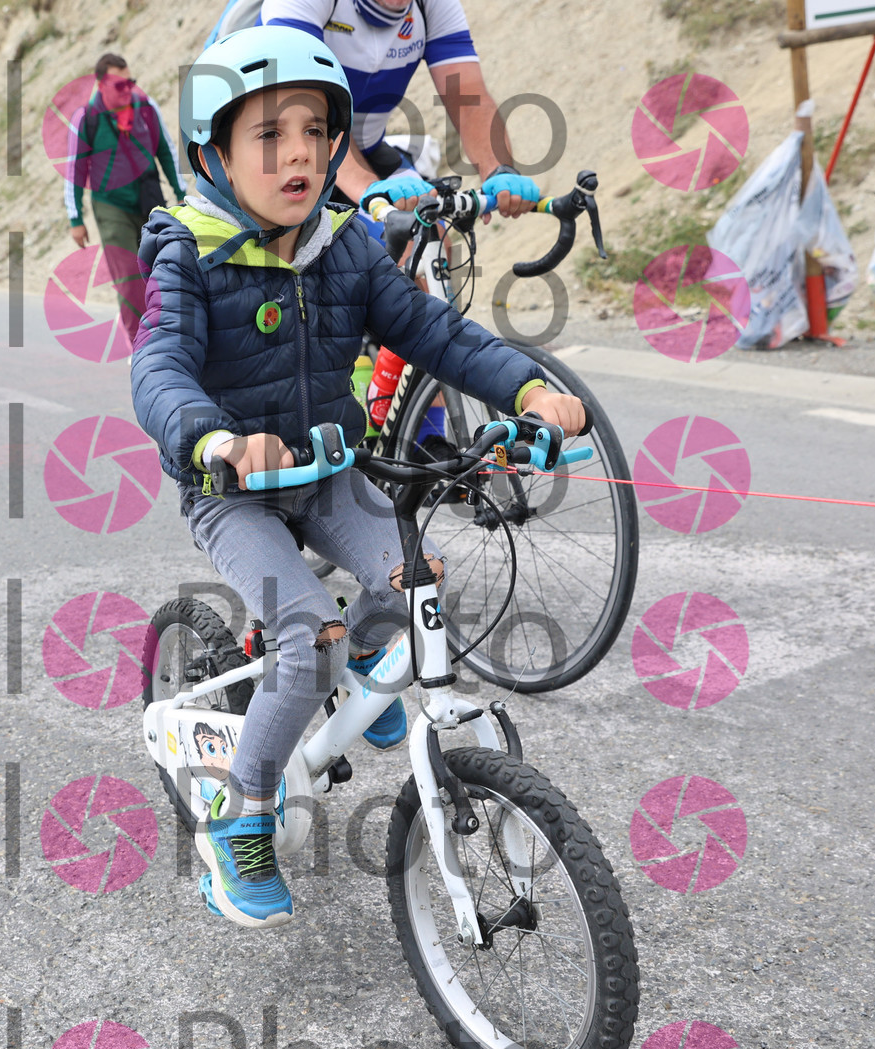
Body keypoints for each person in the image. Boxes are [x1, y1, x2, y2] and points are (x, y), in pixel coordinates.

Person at [129, 26, 583, 929]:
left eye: (315, 131)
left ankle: (366, 674)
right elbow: (158, 368)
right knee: (308, 639)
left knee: (418, 585)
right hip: (232, 491)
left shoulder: (343, 246)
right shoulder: (189, 251)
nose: (299, 153)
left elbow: (435, 333)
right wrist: (215, 440)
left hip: (331, 470)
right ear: (213, 156)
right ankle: (243, 816)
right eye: (269, 135)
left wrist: (530, 388)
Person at [259, 0, 541, 222]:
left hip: (366, 148)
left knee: (431, 237)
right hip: (289, 157)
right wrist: (367, 188)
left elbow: (469, 99)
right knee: (383, 246)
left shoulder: (432, 6)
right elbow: (304, 107)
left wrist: (499, 171)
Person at [64, 53, 188, 259]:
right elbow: (74, 171)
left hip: (150, 198)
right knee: (128, 274)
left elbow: (166, 151)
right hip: (112, 206)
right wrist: (75, 219)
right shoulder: (85, 118)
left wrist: (180, 192)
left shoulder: (147, 107)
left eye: (130, 83)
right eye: (119, 85)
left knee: (164, 267)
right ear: (101, 86)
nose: (127, 89)